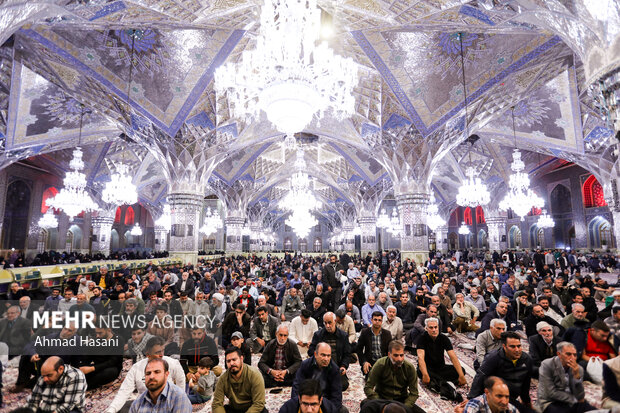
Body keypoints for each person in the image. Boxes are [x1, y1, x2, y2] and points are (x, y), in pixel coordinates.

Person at [105, 336, 186, 413]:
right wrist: (111, 410)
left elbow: (181, 381)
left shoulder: (173, 363)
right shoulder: (136, 368)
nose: (161, 355)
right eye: (158, 352)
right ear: (148, 354)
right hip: (145, 404)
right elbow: (124, 391)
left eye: (162, 350)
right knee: (123, 408)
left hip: (166, 404)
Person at [468, 332, 534, 413]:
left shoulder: (527, 359)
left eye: (519, 346)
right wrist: (471, 398)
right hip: (495, 397)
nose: (517, 350)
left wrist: (527, 401)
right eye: (512, 347)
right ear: (504, 346)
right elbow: (480, 376)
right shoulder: (493, 358)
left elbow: (526, 384)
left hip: (511, 398)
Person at [363, 340, 426, 413]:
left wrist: (405, 407)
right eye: (396, 355)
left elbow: (414, 393)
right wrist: (379, 402)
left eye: (401, 355)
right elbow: (368, 387)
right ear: (389, 354)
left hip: (401, 400)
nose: (399, 359)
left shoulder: (409, 368)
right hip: (382, 399)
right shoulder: (380, 364)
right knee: (365, 406)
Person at [537, 342, 597, 413]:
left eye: (575, 355)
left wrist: (577, 377)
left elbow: (580, 396)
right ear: (559, 354)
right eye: (568, 354)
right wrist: (573, 399)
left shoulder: (578, 369)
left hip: (571, 401)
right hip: (550, 401)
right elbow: (550, 392)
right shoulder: (547, 365)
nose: (572, 358)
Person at [416, 318, 466, 400]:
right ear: (426, 328)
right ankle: (446, 385)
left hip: (440, 368)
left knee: (462, 370)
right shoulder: (422, 338)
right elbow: (420, 358)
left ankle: (438, 384)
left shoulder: (444, 338)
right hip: (428, 369)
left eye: (436, 327)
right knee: (420, 372)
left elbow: (453, 357)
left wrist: (461, 375)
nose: (434, 330)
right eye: (431, 328)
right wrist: (425, 375)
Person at [212, 347, 267, 413]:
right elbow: (217, 404)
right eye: (228, 361)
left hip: (252, 408)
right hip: (234, 409)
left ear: (241, 359)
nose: (231, 363)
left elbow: (259, 403)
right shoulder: (223, 379)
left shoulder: (254, 375)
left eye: (234, 359)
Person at [292, 342, 343, 409]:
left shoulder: (335, 369)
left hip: (324, 401)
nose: (326, 359)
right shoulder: (306, 365)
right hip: (307, 400)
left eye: (328, 356)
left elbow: (336, 396)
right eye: (323, 355)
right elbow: (296, 387)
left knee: (343, 410)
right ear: (315, 354)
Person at [308, 312, 352, 390]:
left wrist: (343, 366)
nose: (327, 326)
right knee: (316, 385)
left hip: (337, 367)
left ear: (335, 321)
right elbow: (311, 351)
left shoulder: (343, 335)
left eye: (329, 322)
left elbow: (347, 354)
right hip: (321, 367)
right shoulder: (318, 335)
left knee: (343, 385)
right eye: (325, 323)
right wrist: (319, 358)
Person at [357, 311, 392, 377]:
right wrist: (364, 362)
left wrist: (388, 364)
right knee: (371, 379)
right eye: (375, 319)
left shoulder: (387, 334)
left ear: (382, 321)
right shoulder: (365, 332)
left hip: (383, 361)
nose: (377, 322)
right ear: (371, 320)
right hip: (370, 362)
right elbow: (359, 349)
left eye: (379, 320)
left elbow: (390, 351)